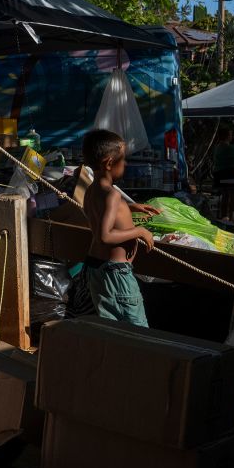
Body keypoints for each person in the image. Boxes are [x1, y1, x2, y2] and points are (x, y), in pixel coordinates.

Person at [81, 129, 158, 328]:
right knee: (137, 332)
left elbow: (97, 214)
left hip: (96, 269)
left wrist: (128, 207)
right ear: (108, 163)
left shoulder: (91, 190)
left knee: (111, 330)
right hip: (116, 274)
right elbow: (104, 236)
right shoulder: (112, 195)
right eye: (122, 159)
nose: (125, 163)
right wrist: (140, 231)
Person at [212, 128, 234, 222]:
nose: (232, 136)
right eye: (231, 134)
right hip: (230, 175)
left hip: (219, 175)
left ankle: (224, 217)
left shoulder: (217, 147)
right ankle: (232, 218)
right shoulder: (231, 148)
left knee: (225, 196)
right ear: (227, 136)